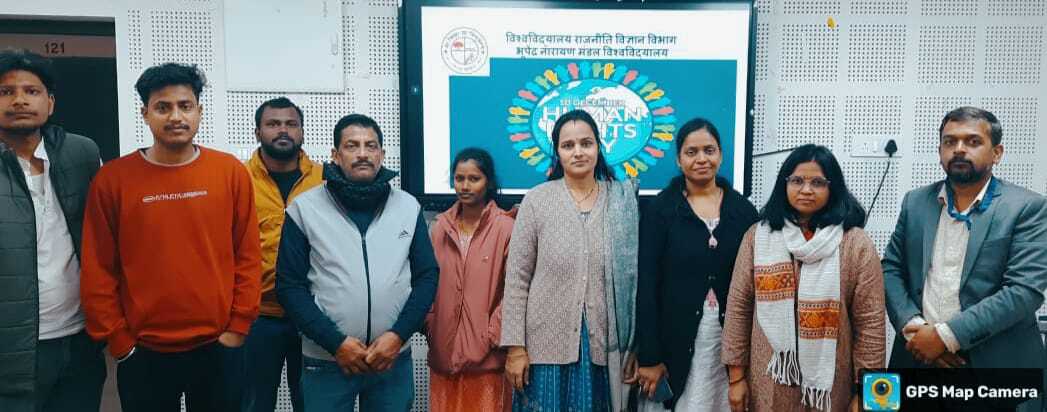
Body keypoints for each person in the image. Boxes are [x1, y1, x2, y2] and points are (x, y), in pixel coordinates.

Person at [80, 62, 262, 412]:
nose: (175, 116)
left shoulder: (229, 172)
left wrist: (238, 327)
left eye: (185, 106)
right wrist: (119, 341)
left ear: (199, 111)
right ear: (145, 114)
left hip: (218, 348)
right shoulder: (113, 180)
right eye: (163, 107)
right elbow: (98, 267)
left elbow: (248, 255)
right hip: (143, 352)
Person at [882, 107, 1047, 411]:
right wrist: (915, 329)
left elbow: (1024, 291)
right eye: (950, 141)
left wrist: (945, 337)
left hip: (992, 367)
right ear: (940, 151)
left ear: (997, 153)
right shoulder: (915, 202)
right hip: (918, 358)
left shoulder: (1028, 207)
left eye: (973, 141)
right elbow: (890, 269)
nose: (959, 149)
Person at [276, 113, 439, 412]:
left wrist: (397, 336)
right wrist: (335, 343)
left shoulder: (408, 207)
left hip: (391, 358)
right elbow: (289, 286)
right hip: (327, 360)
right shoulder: (304, 210)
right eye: (352, 145)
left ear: (382, 154)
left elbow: (427, 276)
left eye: (370, 145)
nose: (363, 153)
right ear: (335, 155)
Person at [721, 144, 885, 412]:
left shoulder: (856, 243)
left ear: (833, 188)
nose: (806, 190)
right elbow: (739, 308)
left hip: (833, 387)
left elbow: (871, 324)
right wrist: (736, 378)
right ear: (783, 185)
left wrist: (868, 394)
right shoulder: (757, 237)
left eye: (817, 182)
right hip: (769, 380)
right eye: (797, 181)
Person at [501, 109, 639, 412]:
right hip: (544, 348)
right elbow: (517, 280)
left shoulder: (621, 201)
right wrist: (515, 349)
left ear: (598, 147)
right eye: (568, 145)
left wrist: (635, 346)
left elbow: (634, 283)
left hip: (605, 350)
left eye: (586, 143)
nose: (578, 152)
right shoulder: (537, 200)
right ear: (557, 152)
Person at [0, 49, 105, 412]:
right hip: (10, 351)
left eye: (31, 91)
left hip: (79, 341)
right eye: (6, 92)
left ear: (51, 102)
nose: (19, 100)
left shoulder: (81, 154)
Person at [635, 118, 759, 411]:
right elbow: (646, 285)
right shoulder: (661, 210)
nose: (701, 159)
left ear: (721, 155)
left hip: (729, 343)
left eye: (709, 150)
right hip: (675, 341)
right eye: (691, 152)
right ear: (678, 160)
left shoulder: (743, 212)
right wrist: (649, 357)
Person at [242, 97, 322, 412]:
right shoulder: (238, 179)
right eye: (273, 124)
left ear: (302, 131)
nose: (283, 130)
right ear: (257, 132)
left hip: (312, 313)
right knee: (253, 403)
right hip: (257, 316)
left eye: (291, 124)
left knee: (312, 403)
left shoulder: (325, 179)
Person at [426, 147, 515, 412]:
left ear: (489, 182)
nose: (465, 186)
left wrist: (491, 335)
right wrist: (431, 325)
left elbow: (515, 290)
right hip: (443, 357)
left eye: (474, 179)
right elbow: (425, 283)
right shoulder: (439, 227)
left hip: (488, 362)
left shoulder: (506, 228)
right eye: (459, 178)